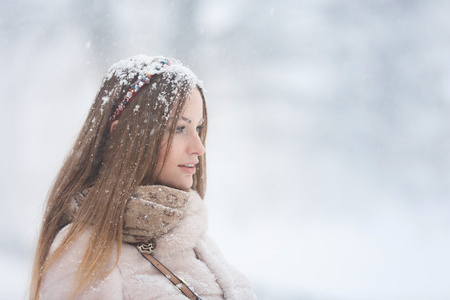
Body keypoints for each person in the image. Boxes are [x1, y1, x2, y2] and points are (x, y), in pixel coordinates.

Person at [30, 55, 256, 300]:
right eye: (180, 128)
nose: (199, 147)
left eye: (198, 128)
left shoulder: (196, 241)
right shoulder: (86, 252)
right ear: (122, 138)